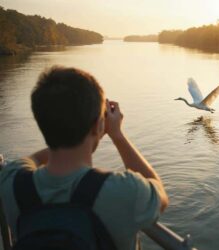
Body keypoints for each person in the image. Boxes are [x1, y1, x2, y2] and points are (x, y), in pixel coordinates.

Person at [0, 66, 169, 250]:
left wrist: (86, 136)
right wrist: (116, 135)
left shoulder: (12, 183)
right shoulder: (123, 191)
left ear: (40, 122)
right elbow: (159, 192)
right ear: (98, 125)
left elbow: (30, 160)